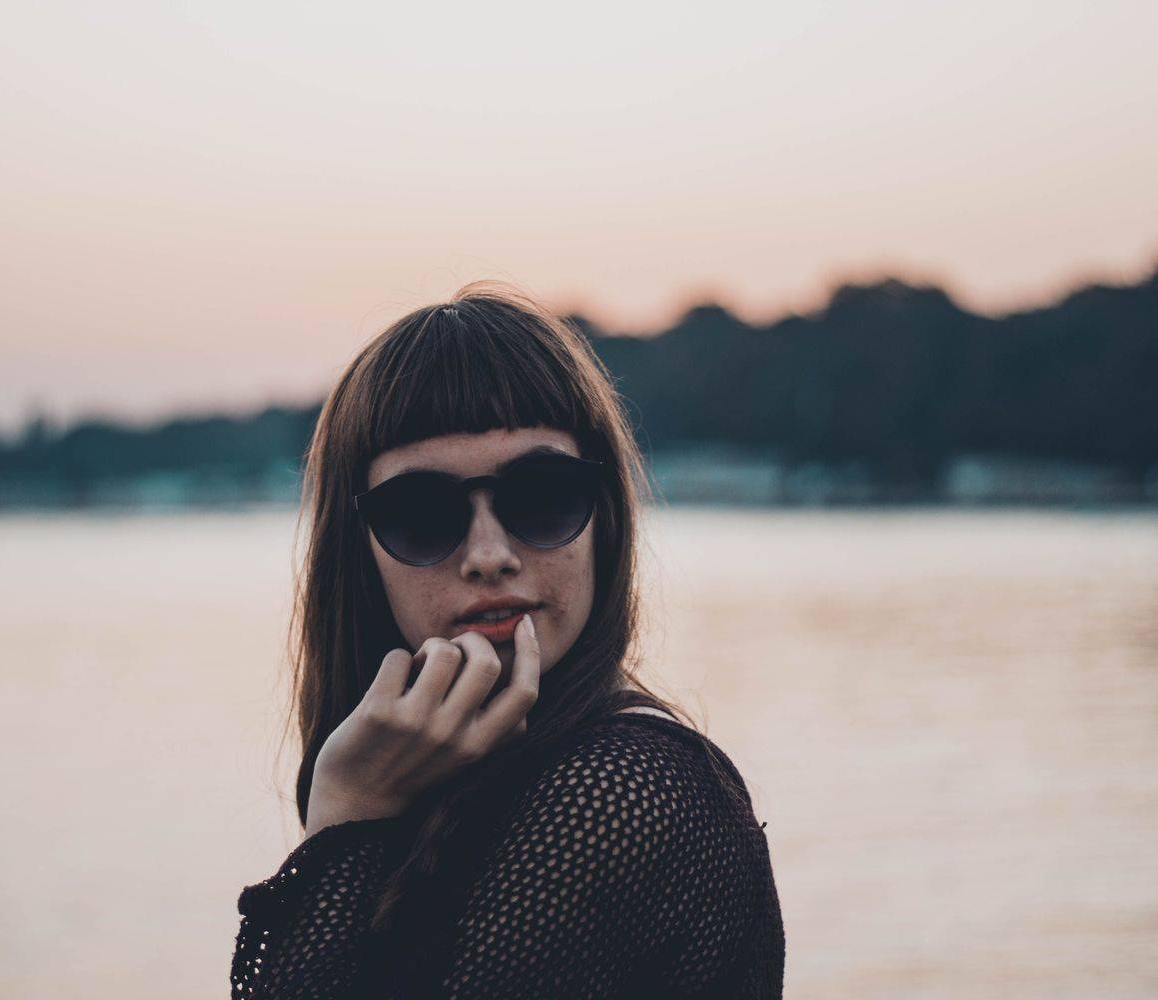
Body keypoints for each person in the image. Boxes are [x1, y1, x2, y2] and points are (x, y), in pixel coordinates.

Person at [229, 282, 785, 998]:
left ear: (605, 518)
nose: (489, 554)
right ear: (359, 554)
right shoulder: (450, 789)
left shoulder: (618, 789)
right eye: (421, 513)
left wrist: (342, 813)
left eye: (543, 495)